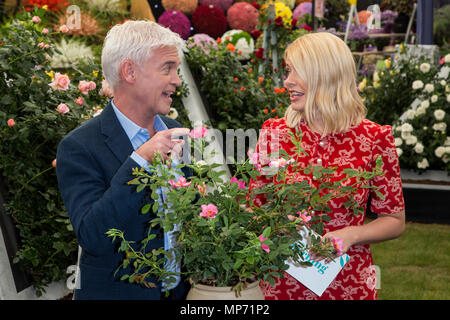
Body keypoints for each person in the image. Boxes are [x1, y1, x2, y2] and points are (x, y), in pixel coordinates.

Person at [248, 32, 405, 300]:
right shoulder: (274, 133)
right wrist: (277, 222)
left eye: (297, 71)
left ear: (326, 75)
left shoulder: (374, 138)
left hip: (348, 284)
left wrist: (353, 234)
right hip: (280, 282)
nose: (287, 81)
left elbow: (394, 220)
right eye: (288, 71)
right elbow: (254, 206)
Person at [56, 20, 192, 300]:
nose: (177, 80)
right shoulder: (79, 147)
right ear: (129, 71)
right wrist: (139, 162)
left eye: (176, 69)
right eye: (167, 68)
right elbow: (93, 235)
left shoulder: (177, 134)